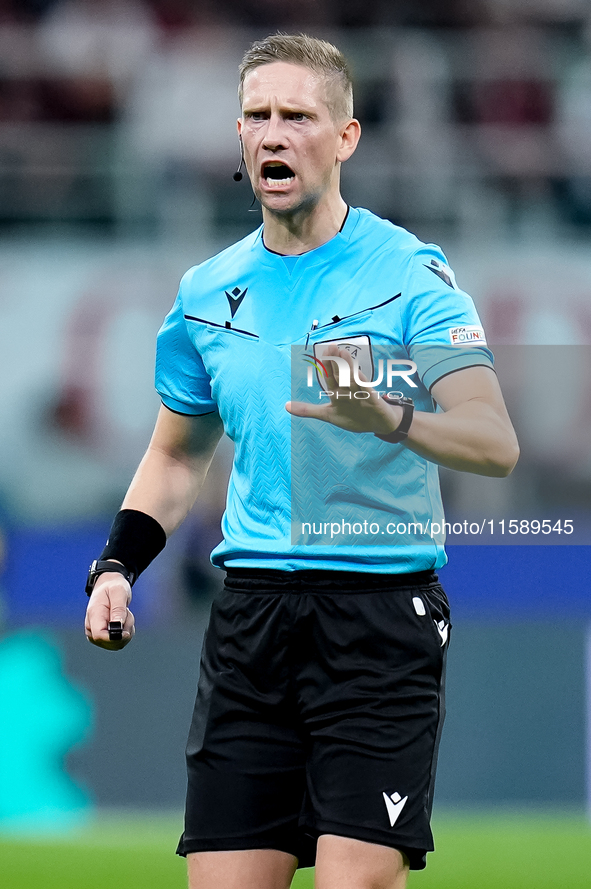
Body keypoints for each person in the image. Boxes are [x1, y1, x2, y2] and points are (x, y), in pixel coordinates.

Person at [84, 33, 519, 889]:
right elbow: (177, 455)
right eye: (256, 116)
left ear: (345, 137)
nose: (272, 134)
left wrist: (389, 413)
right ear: (238, 138)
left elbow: (491, 441)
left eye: (296, 116)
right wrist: (117, 565)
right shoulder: (207, 292)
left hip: (378, 618)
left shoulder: (410, 277)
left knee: (354, 883)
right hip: (252, 620)